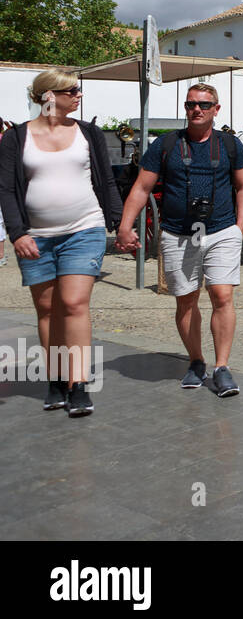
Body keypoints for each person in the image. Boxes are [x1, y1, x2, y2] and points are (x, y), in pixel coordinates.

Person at [117, 84, 243, 397]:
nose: (197, 109)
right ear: (185, 107)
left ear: (216, 109)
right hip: (178, 233)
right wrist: (125, 226)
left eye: (204, 105)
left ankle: (222, 367)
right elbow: (141, 188)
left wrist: (238, 227)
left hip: (220, 231)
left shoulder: (230, 145)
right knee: (187, 299)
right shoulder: (166, 145)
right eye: (191, 104)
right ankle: (196, 361)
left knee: (221, 295)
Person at [0, 72, 122, 416]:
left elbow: (106, 178)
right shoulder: (16, 137)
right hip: (35, 237)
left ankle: (79, 384)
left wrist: (117, 222)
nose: (78, 94)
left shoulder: (88, 133)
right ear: (48, 96)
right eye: (71, 90)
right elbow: (7, 189)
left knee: (73, 303)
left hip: (85, 229)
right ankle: (56, 379)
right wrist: (18, 233)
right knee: (48, 309)